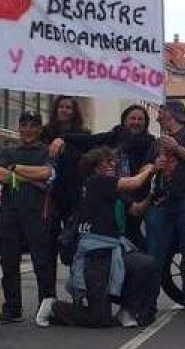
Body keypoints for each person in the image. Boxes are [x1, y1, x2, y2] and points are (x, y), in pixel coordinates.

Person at [36, 147, 163, 329]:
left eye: (113, 160)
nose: (113, 163)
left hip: (115, 248)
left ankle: (126, 310)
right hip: (95, 254)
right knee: (100, 319)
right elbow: (135, 183)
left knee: (145, 264)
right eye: (107, 161)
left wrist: (151, 197)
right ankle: (53, 307)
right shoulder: (96, 182)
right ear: (95, 167)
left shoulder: (112, 186)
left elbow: (135, 209)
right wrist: (151, 169)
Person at [145, 100, 185, 323]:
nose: (157, 116)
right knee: (154, 256)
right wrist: (155, 166)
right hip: (161, 202)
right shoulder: (157, 143)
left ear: (171, 114)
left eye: (160, 112)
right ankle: (149, 306)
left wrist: (177, 149)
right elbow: (145, 169)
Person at [56, 104, 157, 248]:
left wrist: (151, 193)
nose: (136, 122)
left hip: (134, 199)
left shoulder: (151, 144)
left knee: (139, 246)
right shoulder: (112, 137)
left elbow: (137, 207)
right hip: (112, 195)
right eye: (132, 118)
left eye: (140, 119)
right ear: (124, 121)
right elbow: (88, 139)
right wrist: (62, 138)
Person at [0, 111, 56, 324]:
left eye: (33, 126)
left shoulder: (46, 151)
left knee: (42, 262)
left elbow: (46, 174)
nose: (28, 130)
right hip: (9, 213)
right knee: (9, 263)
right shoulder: (7, 150)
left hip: (37, 213)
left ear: (39, 129)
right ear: (19, 127)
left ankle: (45, 305)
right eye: (24, 125)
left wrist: (16, 170)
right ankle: (12, 307)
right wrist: (29, 179)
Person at [43, 96, 90, 268]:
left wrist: (65, 139)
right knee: (48, 246)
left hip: (74, 196)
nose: (64, 110)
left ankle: (77, 289)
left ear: (74, 111)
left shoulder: (83, 135)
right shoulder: (45, 133)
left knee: (73, 245)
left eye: (68, 107)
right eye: (61, 107)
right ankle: (48, 294)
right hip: (49, 196)